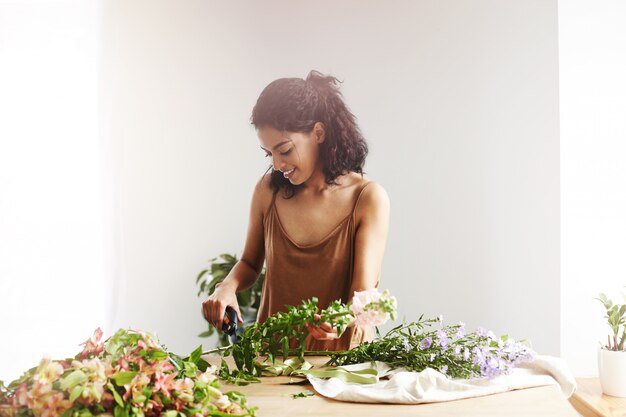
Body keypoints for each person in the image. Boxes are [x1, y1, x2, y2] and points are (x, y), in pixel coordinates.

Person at [201, 70, 390, 351]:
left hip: (341, 365)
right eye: (269, 154)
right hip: (273, 359)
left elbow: (364, 297)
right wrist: (227, 287)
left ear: (318, 133)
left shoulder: (367, 198)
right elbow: (251, 264)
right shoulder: (269, 190)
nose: (277, 164)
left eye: (285, 150)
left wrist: (341, 321)